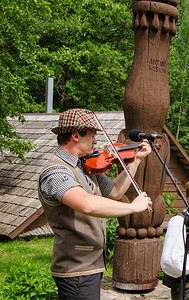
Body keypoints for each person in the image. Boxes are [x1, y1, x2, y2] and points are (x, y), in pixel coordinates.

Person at [38, 108, 152, 300]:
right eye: (92, 136)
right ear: (75, 135)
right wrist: (132, 207)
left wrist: (136, 160)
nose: (96, 142)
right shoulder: (56, 172)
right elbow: (86, 204)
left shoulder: (85, 167)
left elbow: (115, 191)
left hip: (90, 267)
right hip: (75, 269)